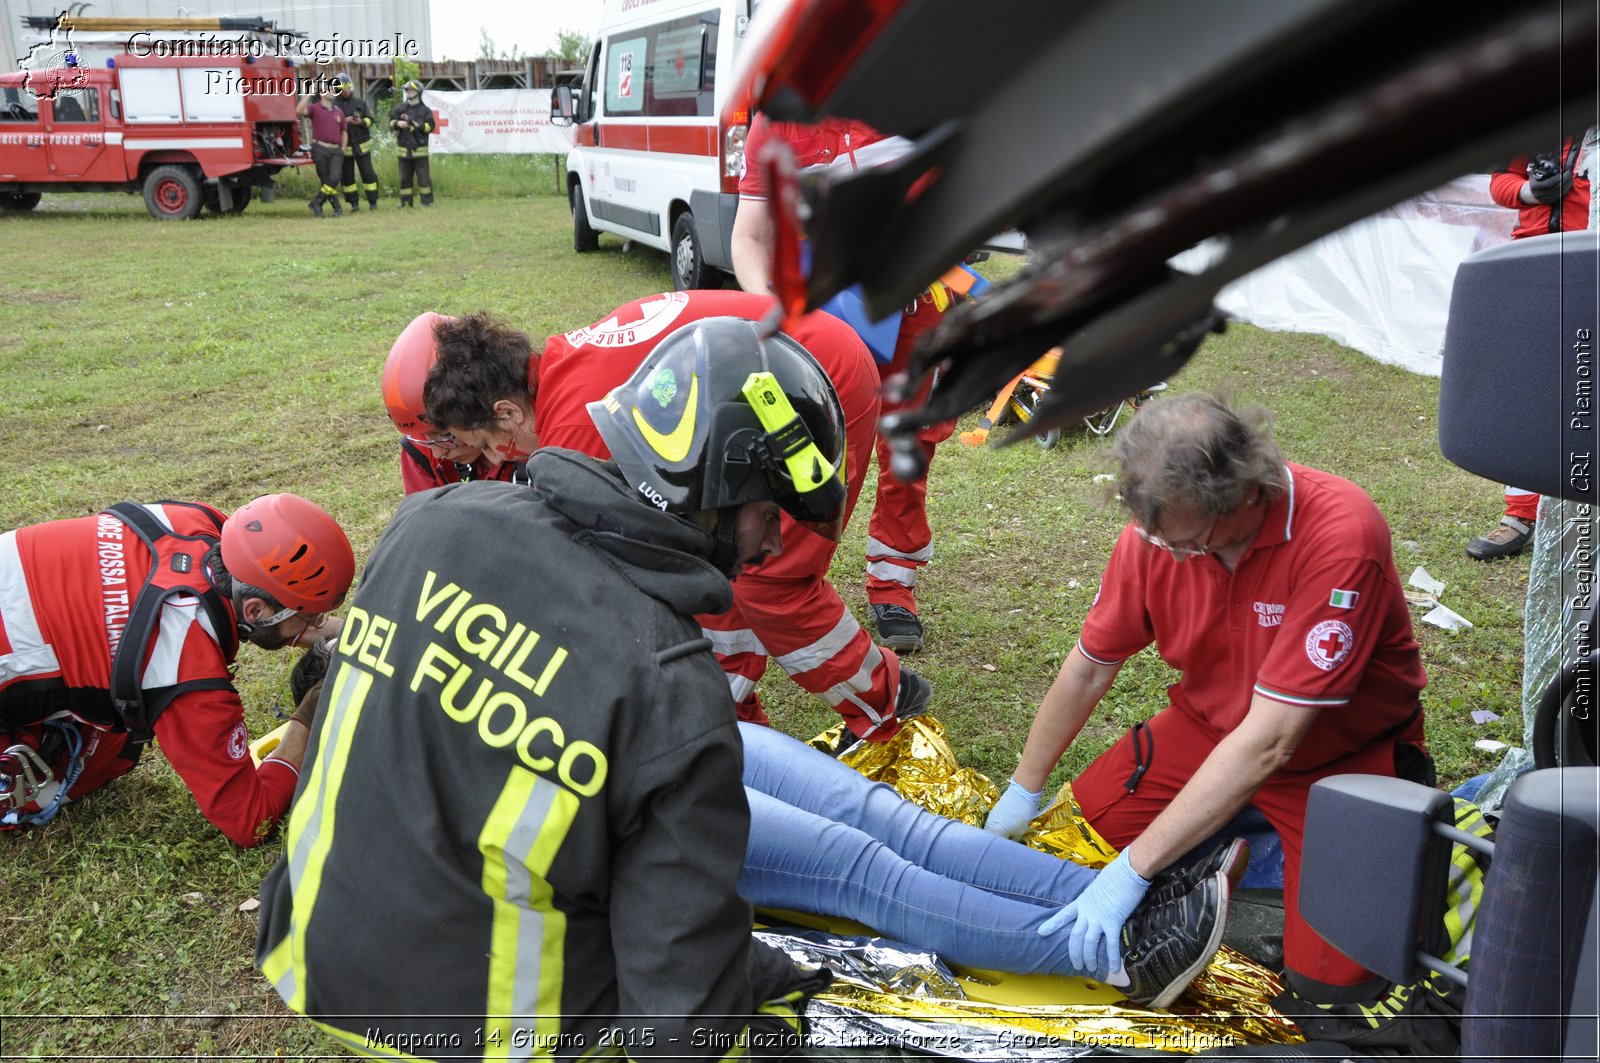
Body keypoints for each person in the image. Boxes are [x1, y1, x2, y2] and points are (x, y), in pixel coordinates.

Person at [256, 321, 856, 1059]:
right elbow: (678, 1029)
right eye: (770, 514)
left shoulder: (425, 522)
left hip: (312, 955)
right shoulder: (672, 687)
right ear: (717, 492)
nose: (770, 544)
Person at [983, 393, 1431, 1007]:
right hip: (1208, 728)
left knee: (1336, 987)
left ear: (1249, 491)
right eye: (1164, 540)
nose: (1178, 556)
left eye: (1195, 542)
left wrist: (1133, 872)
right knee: (1077, 839)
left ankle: (1219, 844)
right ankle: (1211, 839)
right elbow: (1089, 669)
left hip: (1337, 759)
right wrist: (1024, 787)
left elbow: (1272, 740)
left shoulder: (1339, 533)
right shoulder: (1157, 538)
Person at [406, 292, 933, 744]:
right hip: (789, 356)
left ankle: (887, 703)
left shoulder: (576, 431)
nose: (497, 461)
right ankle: (735, 722)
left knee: (773, 584)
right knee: (724, 557)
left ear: (506, 412)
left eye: (488, 446)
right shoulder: (560, 368)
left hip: (810, 378)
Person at [738, 720, 1232, 1009]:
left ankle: (1118, 899)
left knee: (892, 819)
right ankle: (1122, 957)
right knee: (860, 867)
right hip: (662, 805)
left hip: (694, 733)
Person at [0, 495, 353, 846]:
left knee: (112, 735)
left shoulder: (197, 521)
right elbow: (250, 820)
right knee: (69, 769)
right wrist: (311, 714)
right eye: (312, 617)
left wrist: (356, 631)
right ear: (256, 610)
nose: (319, 624)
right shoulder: (182, 666)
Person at [732, 114, 956, 654]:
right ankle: (783, 580)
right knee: (801, 450)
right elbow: (749, 235)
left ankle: (893, 587)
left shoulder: (909, 93)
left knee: (909, 448)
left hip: (916, 310)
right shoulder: (775, 123)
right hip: (818, 316)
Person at [1466, 137, 1592, 559]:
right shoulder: (1546, 112)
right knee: (1532, 391)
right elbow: (1503, 178)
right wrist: (1529, 192)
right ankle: (1520, 516)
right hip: (1535, 260)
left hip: (1591, 261)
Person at [382, 311, 522, 493]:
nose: (438, 453)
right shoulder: (421, 446)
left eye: (444, 434)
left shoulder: (530, 435)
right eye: (425, 439)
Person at [330, 73, 379, 212]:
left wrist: (361, 121)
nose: (345, 91)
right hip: (345, 148)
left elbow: (371, 120)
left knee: (368, 174)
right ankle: (354, 204)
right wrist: (345, 121)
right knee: (347, 178)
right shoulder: (334, 105)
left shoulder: (360, 102)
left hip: (362, 146)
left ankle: (373, 202)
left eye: (347, 88)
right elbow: (330, 125)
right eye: (342, 88)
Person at [297, 85, 347, 218]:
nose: (333, 92)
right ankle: (336, 208)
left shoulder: (339, 112)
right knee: (325, 180)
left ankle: (317, 202)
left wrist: (342, 149)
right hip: (320, 149)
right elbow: (299, 110)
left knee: (334, 177)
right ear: (321, 93)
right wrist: (309, 94)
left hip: (336, 150)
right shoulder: (314, 108)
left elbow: (344, 132)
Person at [389, 80, 435, 207]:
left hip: (420, 150)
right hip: (403, 149)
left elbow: (430, 127)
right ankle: (405, 201)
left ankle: (426, 201)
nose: (408, 92)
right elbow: (391, 121)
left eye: (411, 90)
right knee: (404, 177)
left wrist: (416, 125)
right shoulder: (400, 108)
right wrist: (398, 123)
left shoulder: (425, 110)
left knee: (423, 177)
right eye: (407, 90)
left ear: (418, 92)